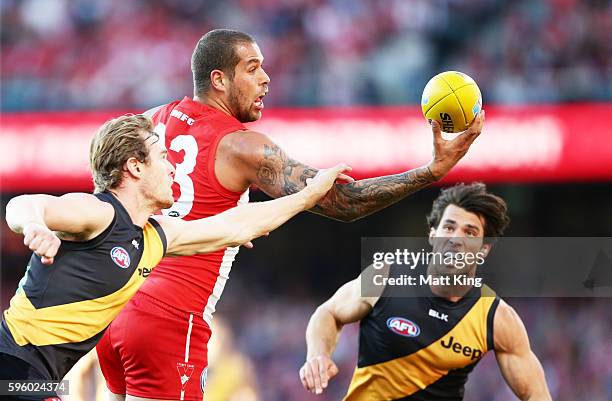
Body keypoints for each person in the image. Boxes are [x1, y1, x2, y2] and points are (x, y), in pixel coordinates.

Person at [97, 29, 485, 401]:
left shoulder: (150, 120)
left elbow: (104, 183)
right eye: (251, 68)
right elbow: (345, 202)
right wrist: (431, 171)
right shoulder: (242, 147)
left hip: (116, 302)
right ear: (218, 79)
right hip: (170, 317)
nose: (265, 79)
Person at [0, 114, 347, 400]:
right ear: (135, 167)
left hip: (36, 379)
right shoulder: (99, 212)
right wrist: (34, 225)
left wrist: (310, 195)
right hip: (13, 367)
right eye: (163, 158)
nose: (173, 169)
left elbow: (235, 225)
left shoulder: (155, 235)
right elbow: (24, 204)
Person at [299, 183, 553, 401]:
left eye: (470, 232)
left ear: (483, 249)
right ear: (433, 235)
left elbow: (537, 394)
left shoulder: (496, 318)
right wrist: (317, 355)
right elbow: (328, 313)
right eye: (449, 227)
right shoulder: (386, 277)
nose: (456, 238)